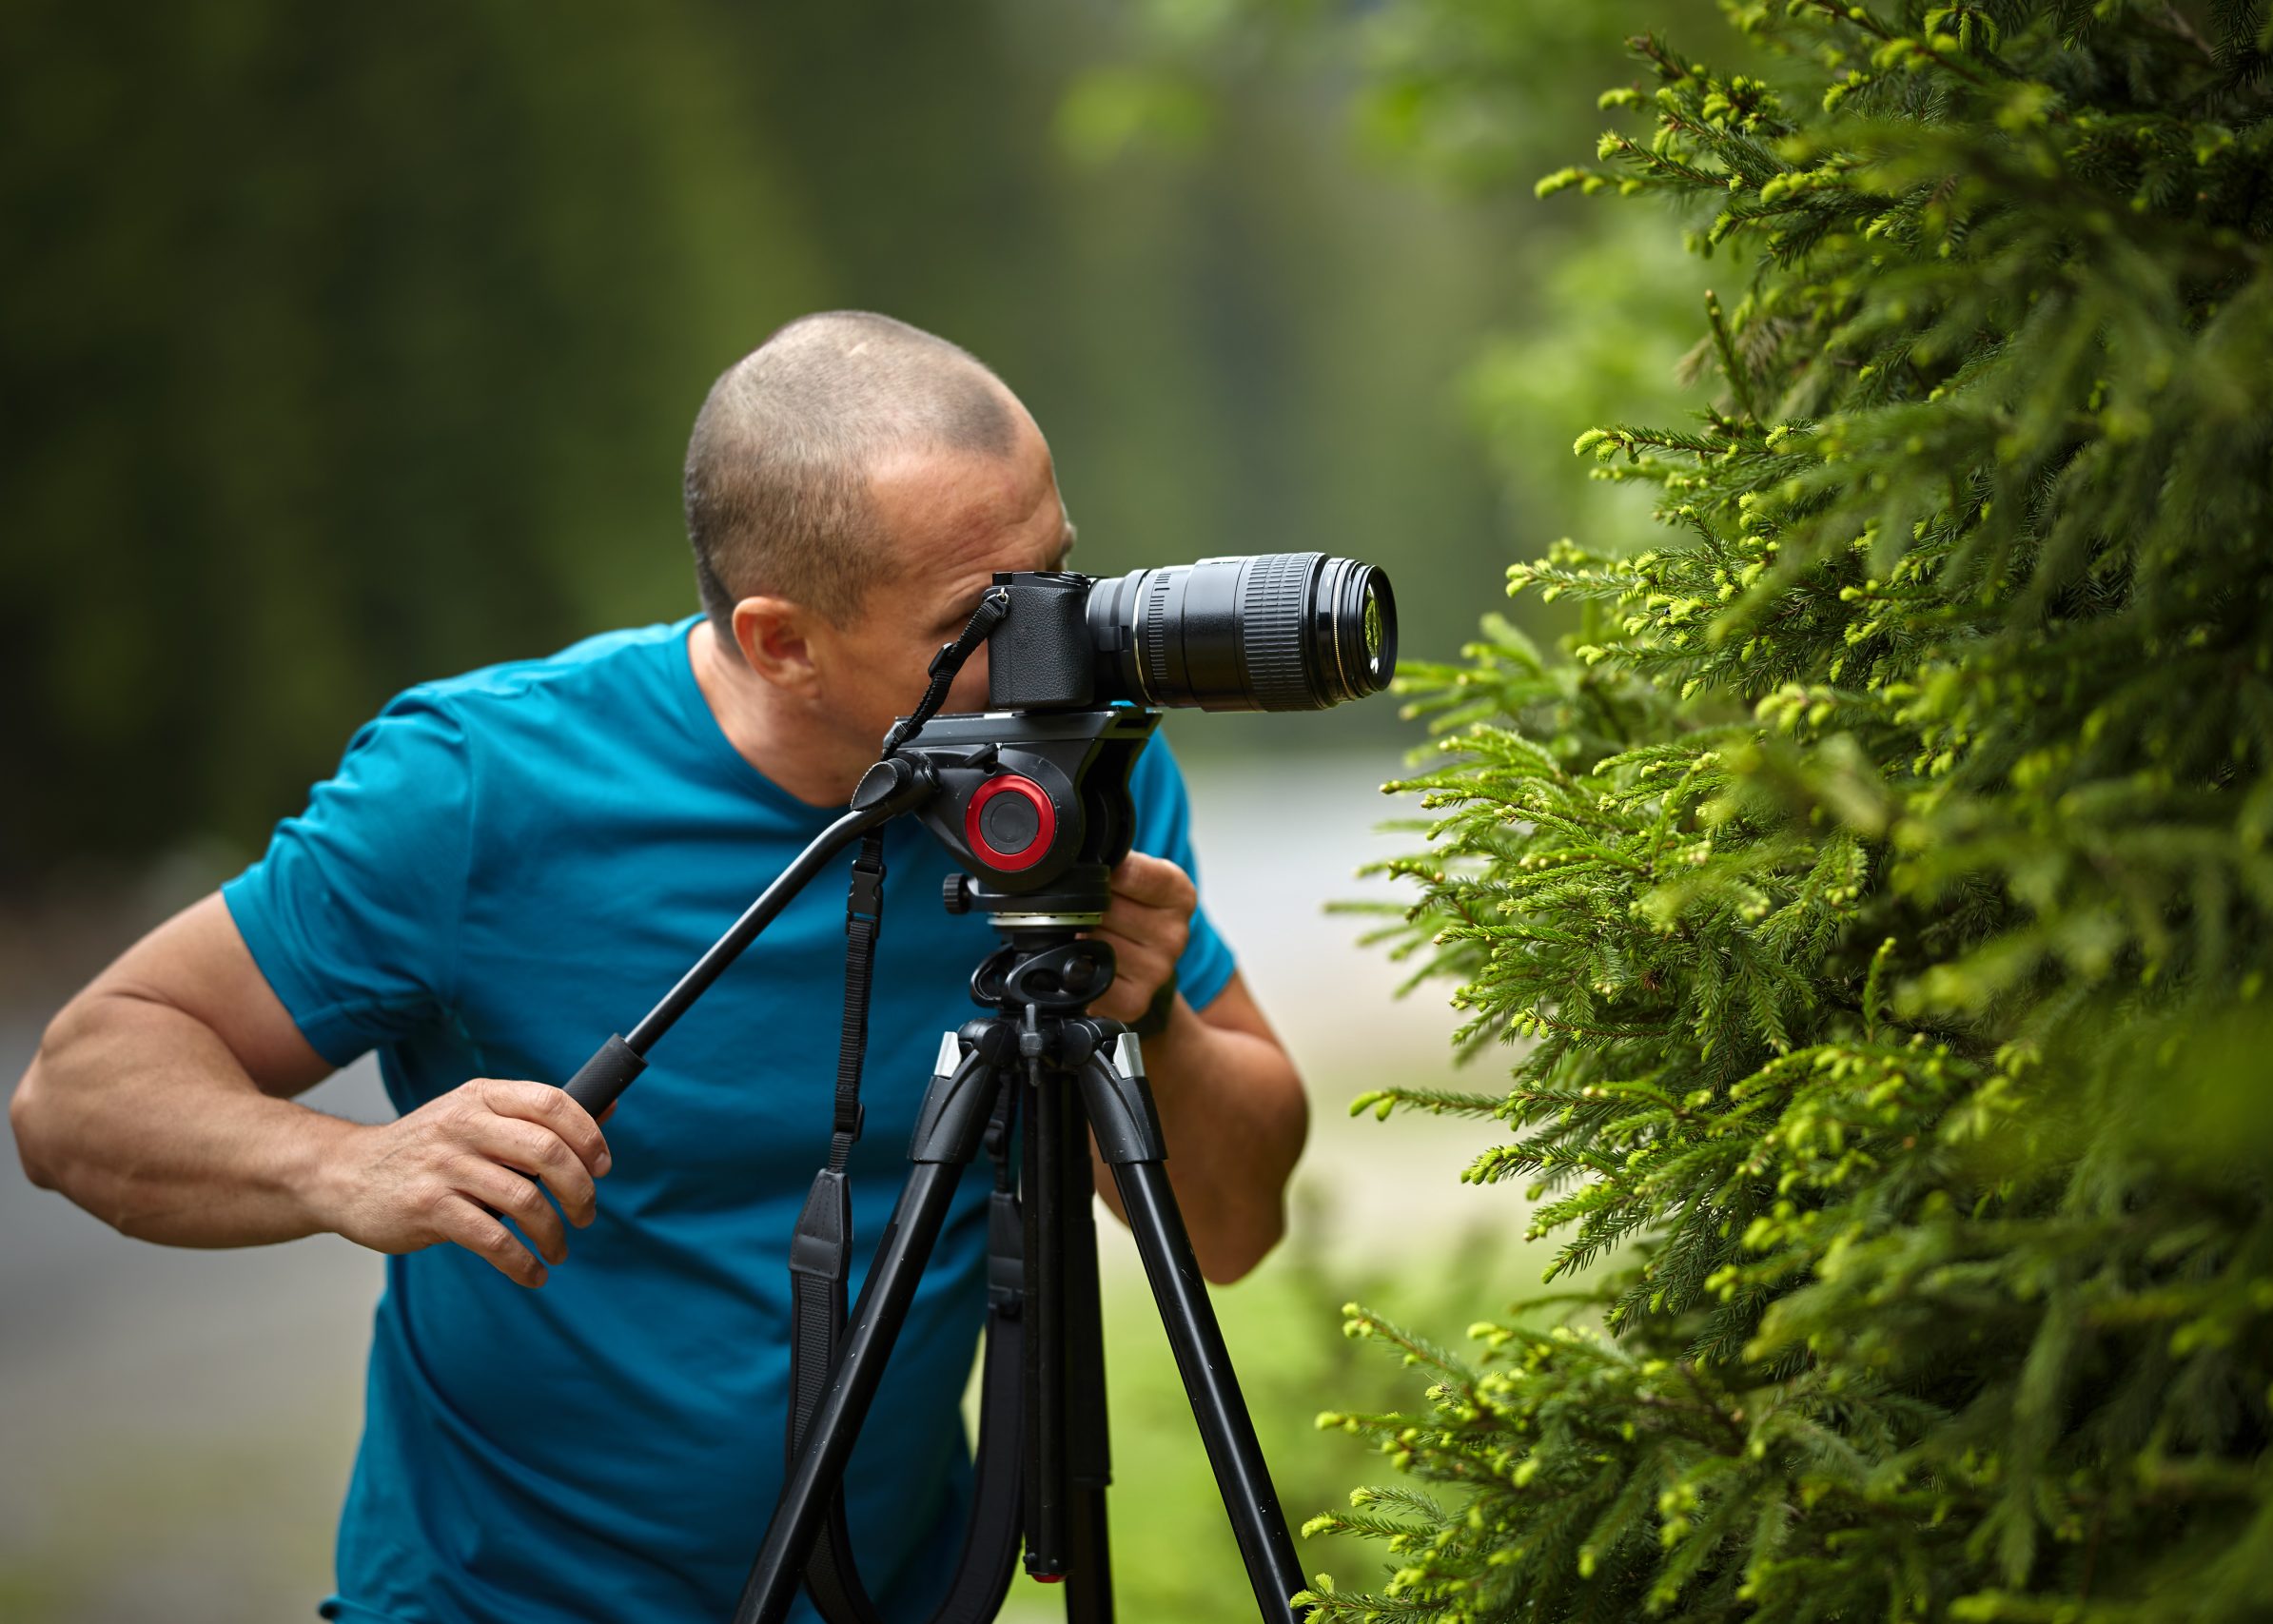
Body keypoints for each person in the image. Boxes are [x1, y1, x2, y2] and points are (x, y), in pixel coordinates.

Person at [10, 312, 1309, 1621]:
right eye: (987, 620)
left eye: (1061, 574)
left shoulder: (1076, 779)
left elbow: (1234, 1228)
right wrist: (346, 1167)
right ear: (782, 643)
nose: (1057, 649)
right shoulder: (480, 785)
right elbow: (76, 1096)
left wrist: (1155, 1021)